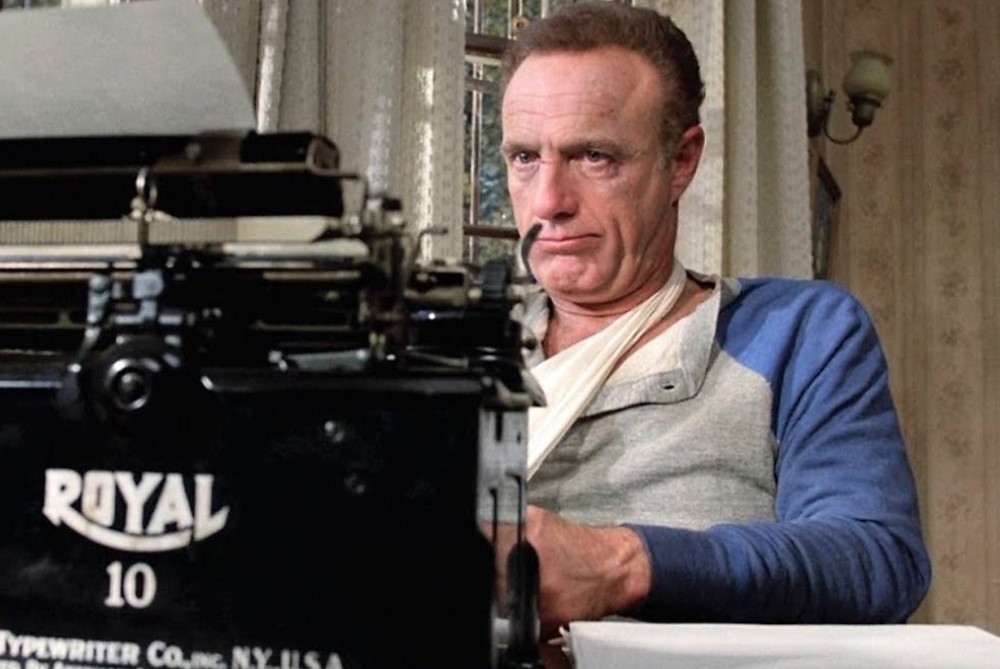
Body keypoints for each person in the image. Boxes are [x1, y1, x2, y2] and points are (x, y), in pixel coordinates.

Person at [496, 1, 931, 638]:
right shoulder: (448, 353)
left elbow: (876, 557)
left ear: (681, 161)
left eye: (594, 156)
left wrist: (623, 565)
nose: (549, 201)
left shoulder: (799, 331)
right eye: (524, 158)